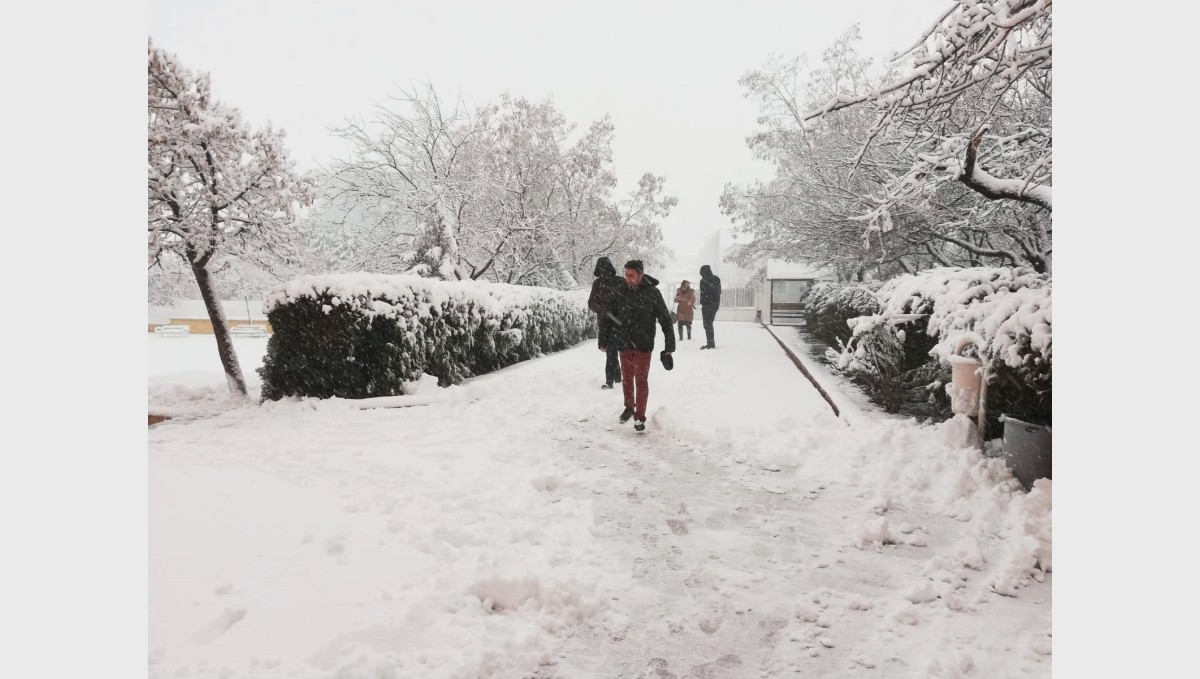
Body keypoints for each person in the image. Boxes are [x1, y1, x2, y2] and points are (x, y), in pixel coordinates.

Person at [598, 260, 675, 432]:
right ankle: (629, 407)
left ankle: (640, 416)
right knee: (626, 378)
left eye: (631, 275)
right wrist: (603, 340)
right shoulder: (619, 291)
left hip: (643, 344)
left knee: (641, 380)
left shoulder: (652, 293)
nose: (628, 278)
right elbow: (607, 316)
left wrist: (669, 346)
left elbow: (665, 319)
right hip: (624, 342)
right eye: (626, 275)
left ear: (641, 275)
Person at [588, 256, 623, 389]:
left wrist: (618, 311)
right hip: (604, 322)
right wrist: (602, 310)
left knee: (612, 349)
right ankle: (615, 377)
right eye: (601, 269)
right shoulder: (597, 283)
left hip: (618, 320)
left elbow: (626, 298)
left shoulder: (619, 281)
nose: (604, 272)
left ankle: (610, 380)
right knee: (610, 350)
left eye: (605, 269)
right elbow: (591, 302)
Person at [698, 264, 722, 349]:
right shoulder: (716, 278)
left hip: (708, 304)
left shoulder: (704, 281)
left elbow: (704, 293)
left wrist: (704, 301)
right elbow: (718, 291)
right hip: (714, 304)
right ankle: (710, 342)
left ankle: (710, 343)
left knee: (707, 324)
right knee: (709, 323)